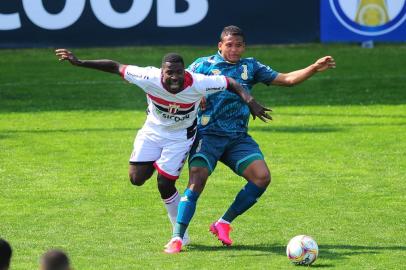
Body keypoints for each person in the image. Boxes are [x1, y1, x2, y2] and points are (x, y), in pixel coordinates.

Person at [55, 49, 271, 246]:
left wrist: (250, 101)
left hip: (180, 138)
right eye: (170, 73)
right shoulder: (147, 77)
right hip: (152, 132)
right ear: (162, 72)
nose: (175, 77)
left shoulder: (198, 82)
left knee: (165, 184)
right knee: (137, 179)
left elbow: (231, 82)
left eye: (179, 73)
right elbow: (115, 66)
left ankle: (179, 234)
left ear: (184, 72)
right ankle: (158, 166)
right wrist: (80, 62)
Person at [164, 25, 336, 253]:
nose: (234, 49)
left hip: (237, 138)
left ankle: (223, 223)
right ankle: (177, 238)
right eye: (229, 45)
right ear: (220, 46)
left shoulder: (250, 66)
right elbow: (176, 86)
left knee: (262, 177)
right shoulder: (202, 65)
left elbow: (287, 79)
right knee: (197, 181)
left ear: (244, 47)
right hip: (208, 135)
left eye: (238, 45)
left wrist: (313, 68)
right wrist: (196, 96)